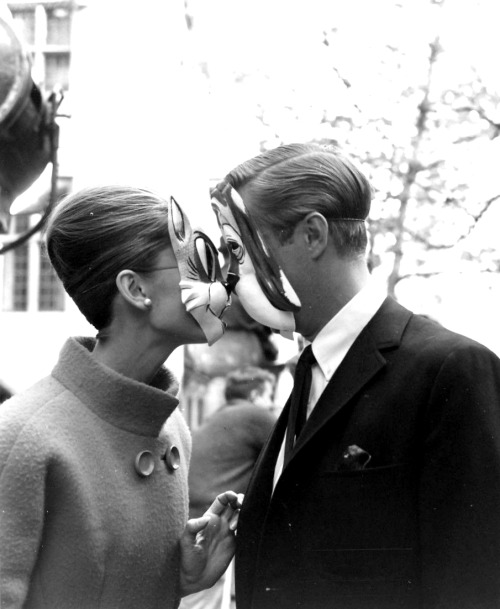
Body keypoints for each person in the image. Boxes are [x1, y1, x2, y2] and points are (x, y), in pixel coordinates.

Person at [209, 143, 500, 609]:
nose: (229, 275)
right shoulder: (308, 370)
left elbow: (471, 581)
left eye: (237, 250)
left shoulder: (450, 369)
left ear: (312, 236)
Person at [0, 185, 242, 609]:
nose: (219, 284)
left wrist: (179, 579)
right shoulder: (22, 437)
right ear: (135, 289)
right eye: (198, 265)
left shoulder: (172, 429)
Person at [180, 366, 276, 609]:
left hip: (192, 515)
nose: (272, 404)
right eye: (269, 396)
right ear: (255, 395)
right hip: (213, 518)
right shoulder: (255, 414)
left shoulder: (220, 416)